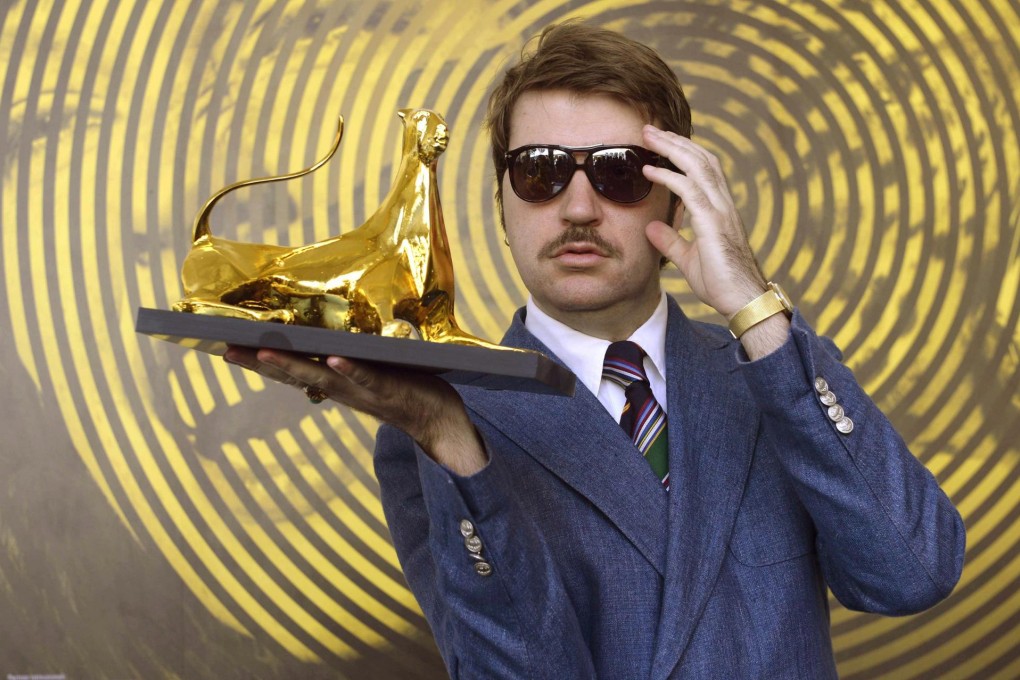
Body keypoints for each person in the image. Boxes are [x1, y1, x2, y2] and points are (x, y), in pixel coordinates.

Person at [224, 20, 965, 679]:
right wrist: (455, 443)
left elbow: (912, 576)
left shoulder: (775, 371)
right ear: (502, 207)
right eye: (541, 171)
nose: (578, 208)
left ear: (678, 199)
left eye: (616, 172)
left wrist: (753, 305)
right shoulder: (438, 421)